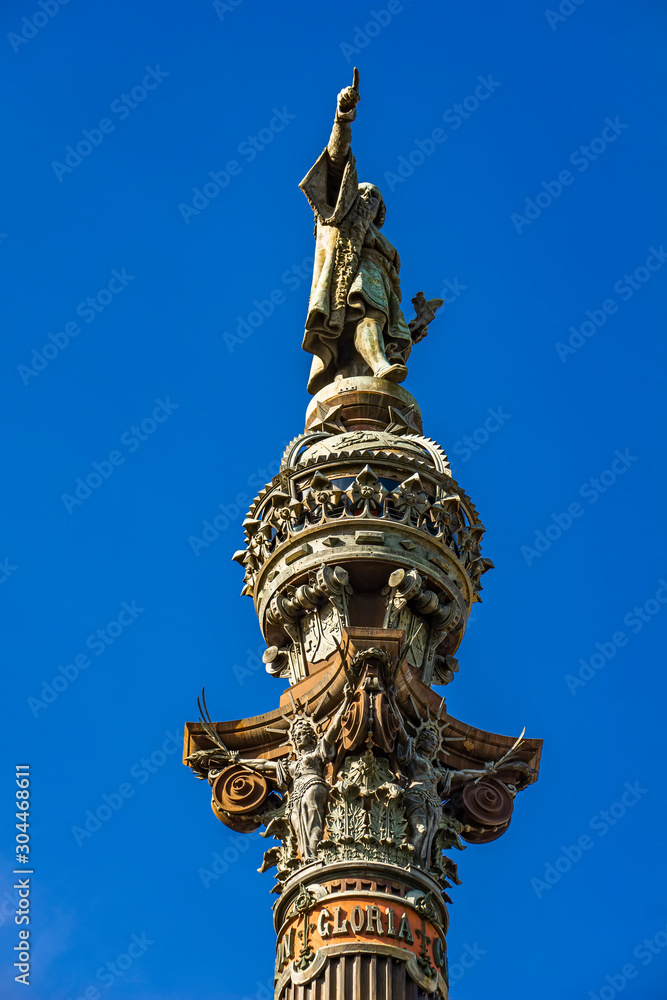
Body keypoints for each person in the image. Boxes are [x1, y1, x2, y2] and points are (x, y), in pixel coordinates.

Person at [300, 69, 424, 394]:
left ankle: (377, 365)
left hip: (384, 286)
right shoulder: (340, 219)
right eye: (363, 194)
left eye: (374, 198)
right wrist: (343, 120)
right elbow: (337, 161)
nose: (367, 199)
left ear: (380, 213)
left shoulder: (385, 246)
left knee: (378, 327)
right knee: (368, 316)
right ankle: (380, 365)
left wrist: (418, 322)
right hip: (355, 279)